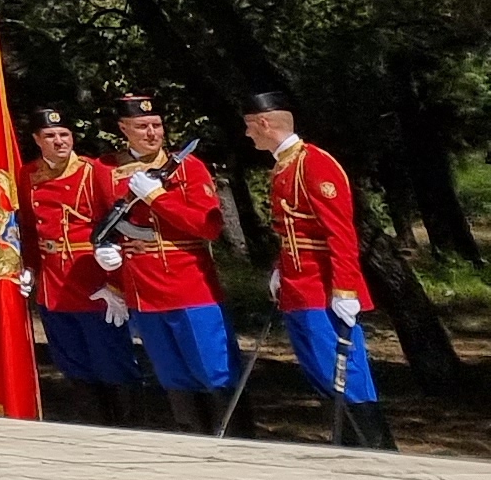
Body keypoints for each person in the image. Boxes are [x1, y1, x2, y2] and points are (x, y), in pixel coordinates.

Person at [242, 85, 393, 451]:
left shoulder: (314, 163)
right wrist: (281, 268)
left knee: (345, 375)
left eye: (249, 126)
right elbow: (293, 230)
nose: (246, 134)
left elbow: (340, 233)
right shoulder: (283, 166)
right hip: (299, 288)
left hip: (322, 289)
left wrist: (345, 289)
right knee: (320, 372)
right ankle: (347, 446)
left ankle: (375, 450)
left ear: (264, 122)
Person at [93, 91, 234, 432]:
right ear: (123, 128)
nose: (152, 133)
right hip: (143, 288)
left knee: (213, 368)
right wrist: (109, 268)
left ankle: (233, 437)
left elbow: (207, 225)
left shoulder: (189, 167)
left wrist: (157, 197)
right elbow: (103, 223)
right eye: (142, 126)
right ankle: (191, 438)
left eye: (156, 124)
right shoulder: (106, 170)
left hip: (189, 283)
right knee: (171, 371)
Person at [22, 107, 141, 424]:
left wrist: (117, 283)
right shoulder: (27, 176)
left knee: (112, 361)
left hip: (95, 282)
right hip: (54, 285)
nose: (59, 141)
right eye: (50, 136)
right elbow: (29, 231)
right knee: (73, 362)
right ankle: (93, 427)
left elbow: (116, 225)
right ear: (37, 140)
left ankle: (128, 428)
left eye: (64, 134)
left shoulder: (93, 170)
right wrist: (30, 268)